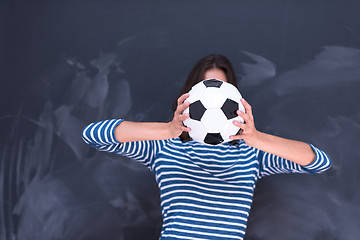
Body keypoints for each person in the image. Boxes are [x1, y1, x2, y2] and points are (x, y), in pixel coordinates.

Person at [82, 54, 331, 240]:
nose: (213, 100)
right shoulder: (163, 146)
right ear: (189, 96)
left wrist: (256, 139)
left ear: (235, 100)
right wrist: (168, 130)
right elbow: (93, 135)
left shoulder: (252, 153)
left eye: (221, 92)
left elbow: (319, 162)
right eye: (205, 91)